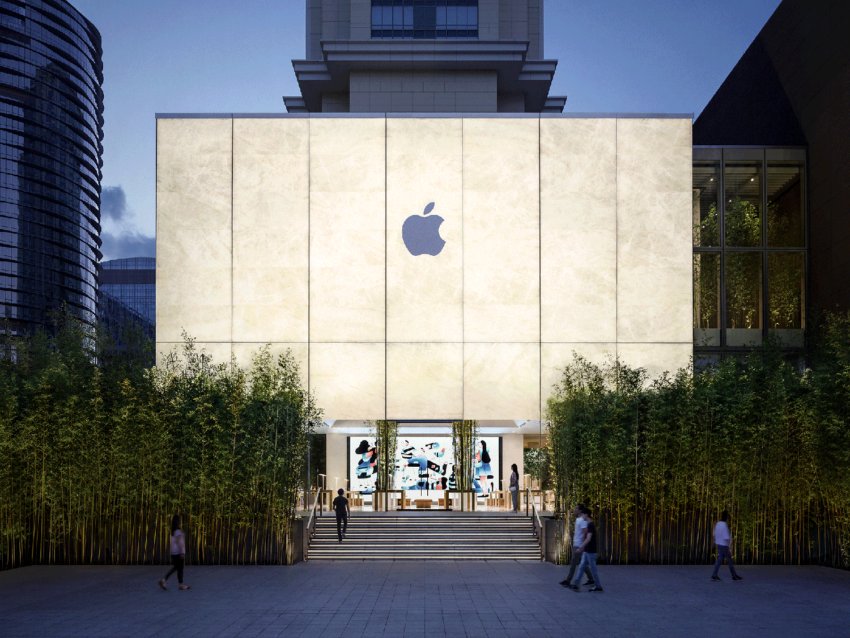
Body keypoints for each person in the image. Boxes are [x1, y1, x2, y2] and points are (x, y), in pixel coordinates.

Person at [569, 506, 603, 592]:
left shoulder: (590, 525)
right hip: (587, 550)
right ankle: (576, 584)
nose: (581, 517)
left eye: (583, 515)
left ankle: (598, 586)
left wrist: (580, 547)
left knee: (593, 570)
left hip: (591, 551)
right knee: (581, 567)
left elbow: (588, 538)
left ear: (586, 515)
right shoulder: (588, 524)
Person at [560, 504, 593, 588]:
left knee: (573, 563)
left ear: (580, 511)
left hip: (578, 545)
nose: (574, 510)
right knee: (581, 563)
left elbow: (586, 532)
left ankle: (568, 580)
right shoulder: (579, 519)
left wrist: (582, 545)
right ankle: (591, 578)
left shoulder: (582, 520)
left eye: (576, 508)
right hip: (577, 544)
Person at [158, 514, 190, 591]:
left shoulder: (173, 532)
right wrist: (182, 552)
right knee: (180, 568)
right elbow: (180, 543)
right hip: (178, 553)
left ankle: (164, 580)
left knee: (176, 568)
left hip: (173, 553)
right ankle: (180, 585)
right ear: (178, 522)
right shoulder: (178, 531)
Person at [711, 510, 742, 581]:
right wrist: (730, 546)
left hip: (719, 544)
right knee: (729, 560)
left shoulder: (718, 523)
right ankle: (734, 576)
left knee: (719, 560)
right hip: (724, 545)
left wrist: (716, 541)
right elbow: (727, 537)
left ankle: (714, 574)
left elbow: (715, 534)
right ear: (726, 517)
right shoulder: (724, 524)